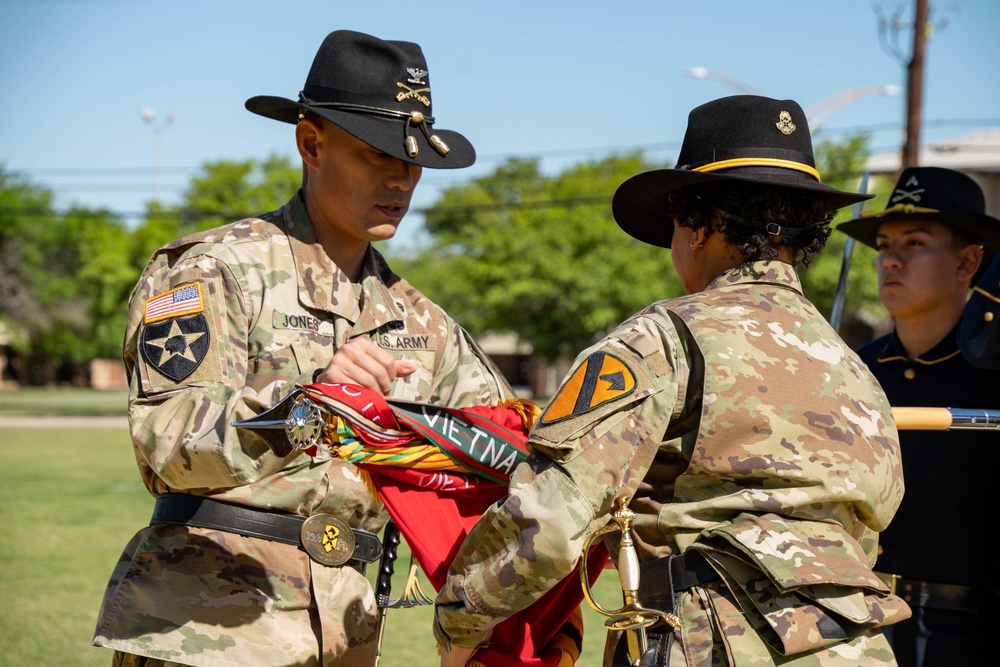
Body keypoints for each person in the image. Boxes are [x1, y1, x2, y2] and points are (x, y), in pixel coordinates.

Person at [434, 95, 909, 667]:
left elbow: (551, 517)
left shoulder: (665, 337)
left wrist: (460, 619)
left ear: (699, 226)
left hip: (715, 644)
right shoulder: (855, 368)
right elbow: (869, 533)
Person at [92, 29, 514, 667]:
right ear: (312, 144)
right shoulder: (215, 271)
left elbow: (502, 447)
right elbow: (168, 447)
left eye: (414, 159)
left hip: (345, 637)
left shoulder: (421, 321)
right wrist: (313, 403)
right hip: (209, 629)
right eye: (376, 154)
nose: (401, 178)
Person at [837, 166, 1000, 667]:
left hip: (971, 635)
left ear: (968, 261)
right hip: (853, 621)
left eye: (915, 241)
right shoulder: (848, 371)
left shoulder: (991, 378)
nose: (891, 259)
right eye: (884, 244)